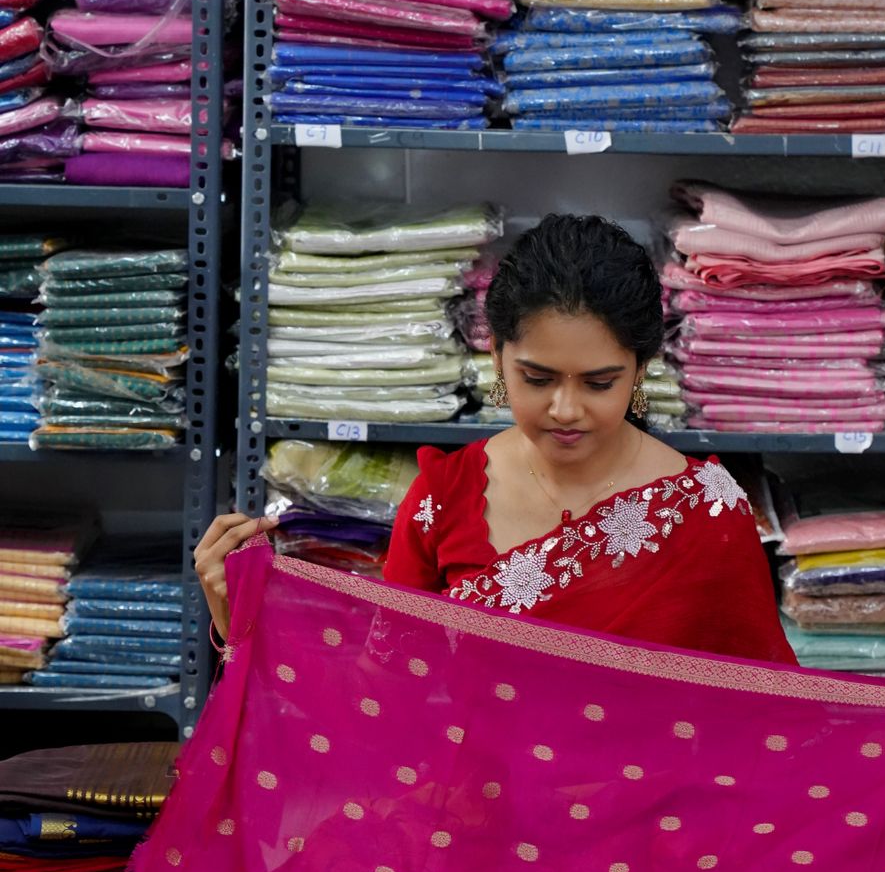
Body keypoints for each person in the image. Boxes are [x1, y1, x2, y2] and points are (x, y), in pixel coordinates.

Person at [196, 214, 795, 665]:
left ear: (640, 370)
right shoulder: (443, 497)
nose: (566, 410)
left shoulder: (706, 512)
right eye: (537, 378)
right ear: (497, 356)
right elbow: (387, 689)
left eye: (599, 382)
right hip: (473, 819)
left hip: (656, 822)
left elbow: (758, 717)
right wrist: (237, 617)